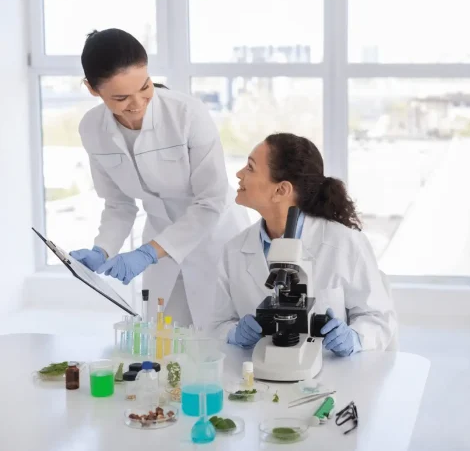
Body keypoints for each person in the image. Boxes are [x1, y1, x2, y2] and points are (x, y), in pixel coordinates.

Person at [69, 29, 250, 327]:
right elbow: (119, 204)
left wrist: (147, 253)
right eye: (121, 97)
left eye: (145, 86)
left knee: (219, 341)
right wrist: (102, 249)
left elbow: (211, 200)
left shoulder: (187, 114)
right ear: (92, 89)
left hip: (214, 236)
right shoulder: (92, 128)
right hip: (159, 239)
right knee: (162, 339)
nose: (138, 103)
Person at [210, 133, 397, 356]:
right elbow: (216, 323)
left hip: (331, 379)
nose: (239, 174)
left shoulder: (344, 244)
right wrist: (233, 334)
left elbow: (378, 317)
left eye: (250, 168)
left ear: (281, 190)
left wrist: (355, 337)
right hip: (257, 378)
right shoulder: (234, 251)